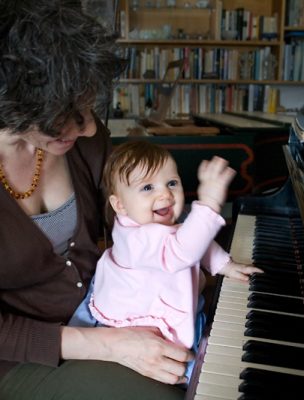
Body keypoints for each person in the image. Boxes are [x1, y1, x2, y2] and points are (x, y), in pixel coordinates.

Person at [0, 1, 193, 399]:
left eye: (88, 106)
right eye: (70, 112)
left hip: (107, 314)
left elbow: (137, 221)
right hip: (21, 356)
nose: (89, 127)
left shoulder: (80, 140)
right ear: (16, 102)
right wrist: (113, 345)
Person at [68, 141, 262, 382]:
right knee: (195, 374)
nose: (165, 194)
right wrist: (209, 203)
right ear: (120, 205)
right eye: (147, 187)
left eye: (172, 183)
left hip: (160, 297)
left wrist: (225, 265)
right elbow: (184, 250)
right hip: (138, 322)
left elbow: (194, 242)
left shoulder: (156, 224)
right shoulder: (137, 239)